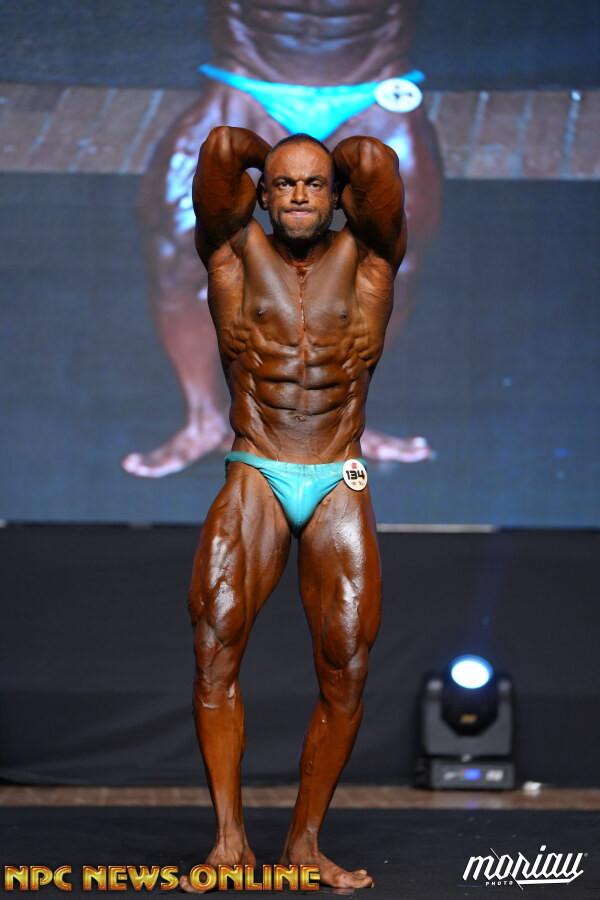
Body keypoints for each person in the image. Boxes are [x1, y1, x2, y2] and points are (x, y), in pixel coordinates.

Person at [179, 125, 407, 893]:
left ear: (337, 196)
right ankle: (228, 844)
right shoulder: (232, 250)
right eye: (284, 183)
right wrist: (274, 155)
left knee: (347, 664)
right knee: (215, 643)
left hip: (337, 471)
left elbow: (373, 161)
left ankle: (304, 846)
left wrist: (315, 161)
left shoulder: (371, 257)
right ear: (262, 194)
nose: (300, 195)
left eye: (314, 184)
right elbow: (220, 149)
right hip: (258, 463)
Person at [121, 0, 442, 479]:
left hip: (372, 90)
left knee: (393, 256)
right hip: (247, 86)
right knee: (178, 249)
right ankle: (204, 421)